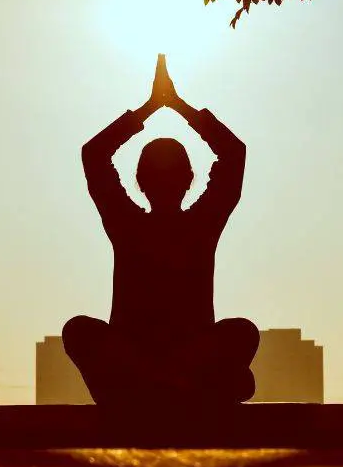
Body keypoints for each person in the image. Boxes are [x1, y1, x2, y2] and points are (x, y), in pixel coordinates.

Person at [63, 55, 259, 407]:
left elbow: (94, 155)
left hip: (154, 362)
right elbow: (233, 153)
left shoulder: (127, 222)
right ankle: (173, 382)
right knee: (241, 335)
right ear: (190, 179)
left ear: (138, 181)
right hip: (159, 362)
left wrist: (151, 108)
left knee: (242, 333)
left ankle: (161, 381)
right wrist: (177, 107)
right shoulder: (199, 222)